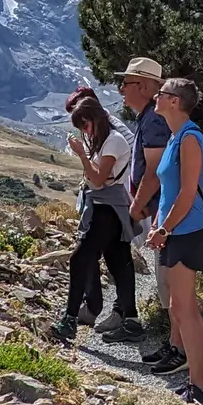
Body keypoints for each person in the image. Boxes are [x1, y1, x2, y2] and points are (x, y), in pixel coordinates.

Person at [147, 77, 203, 405]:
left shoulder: (190, 138)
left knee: (184, 309)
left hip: (187, 231)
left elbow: (188, 192)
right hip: (178, 230)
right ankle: (200, 384)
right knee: (183, 308)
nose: (156, 98)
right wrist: (160, 224)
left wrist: (164, 229)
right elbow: (170, 192)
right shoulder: (178, 136)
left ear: (174, 101)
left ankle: (201, 387)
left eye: (161, 94)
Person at [56, 95, 138, 342]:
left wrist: (82, 155)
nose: (84, 131)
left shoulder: (113, 142)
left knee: (80, 258)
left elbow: (100, 179)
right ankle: (131, 320)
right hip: (112, 206)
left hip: (107, 207)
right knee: (118, 261)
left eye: (85, 125)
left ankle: (70, 319)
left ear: (94, 119)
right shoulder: (106, 141)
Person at [115, 58, 175, 356]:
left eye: (124, 83)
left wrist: (136, 208)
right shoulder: (149, 117)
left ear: (142, 85)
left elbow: (154, 170)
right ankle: (174, 343)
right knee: (166, 278)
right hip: (160, 210)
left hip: (162, 212)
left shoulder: (153, 119)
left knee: (170, 281)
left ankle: (178, 346)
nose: (120, 90)